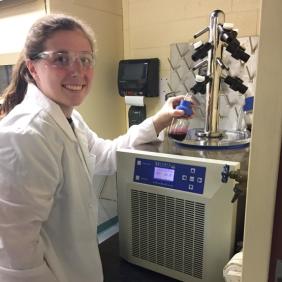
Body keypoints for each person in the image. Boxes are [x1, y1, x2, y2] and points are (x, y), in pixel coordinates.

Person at [0, 14, 190, 282]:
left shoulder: (68, 117)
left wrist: (160, 119)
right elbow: (14, 259)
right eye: (61, 58)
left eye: (85, 59)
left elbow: (105, 155)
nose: (77, 70)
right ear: (33, 68)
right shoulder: (26, 135)